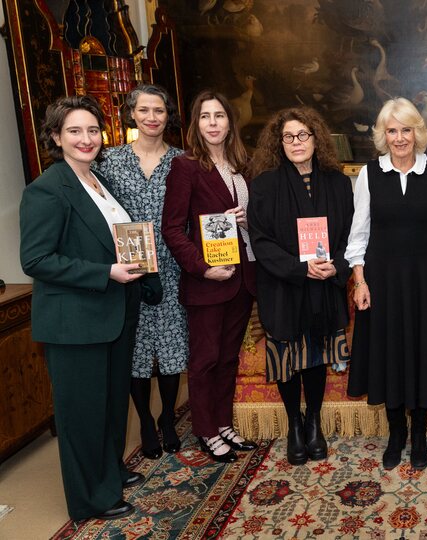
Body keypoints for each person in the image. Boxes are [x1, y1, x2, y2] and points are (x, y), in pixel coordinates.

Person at [19, 95, 162, 521]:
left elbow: (121, 238)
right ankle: (90, 499)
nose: (86, 139)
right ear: (56, 137)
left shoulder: (102, 182)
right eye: (75, 131)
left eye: (93, 130)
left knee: (111, 404)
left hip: (114, 314)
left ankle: (109, 472)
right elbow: (37, 260)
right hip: (75, 322)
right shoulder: (46, 189)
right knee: (82, 414)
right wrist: (106, 273)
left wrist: (141, 273)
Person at [345, 97, 427, 471]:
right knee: (389, 354)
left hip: (425, 279)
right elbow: (357, 234)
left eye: (406, 129)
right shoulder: (369, 174)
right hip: (382, 281)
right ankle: (396, 434)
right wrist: (359, 281)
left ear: (417, 133)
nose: (399, 138)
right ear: (383, 135)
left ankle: (420, 434)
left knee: (423, 352)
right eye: (392, 130)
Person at [247, 107, 354, 465]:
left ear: (316, 139)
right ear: (279, 142)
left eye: (303, 135)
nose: (296, 142)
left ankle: (314, 422)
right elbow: (261, 241)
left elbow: (351, 234)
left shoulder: (338, 182)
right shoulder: (263, 184)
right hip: (285, 285)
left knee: (317, 356)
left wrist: (335, 266)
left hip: (325, 284)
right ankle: (294, 422)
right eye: (288, 136)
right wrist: (299, 268)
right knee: (288, 360)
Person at [162, 90, 258, 464]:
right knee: (204, 359)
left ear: (230, 122)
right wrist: (203, 267)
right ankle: (205, 430)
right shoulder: (186, 167)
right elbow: (172, 229)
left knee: (229, 358)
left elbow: (253, 219)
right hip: (207, 280)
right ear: (195, 124)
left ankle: (223, 423)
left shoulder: (243, 165)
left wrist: (248, 220)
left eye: (219, 116)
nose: (213, 123)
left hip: (242, 276)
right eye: (205, 117)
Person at [98, 84, 186, 459]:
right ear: (131, 113)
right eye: (144, 110)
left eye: (160, 110)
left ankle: (167, 417)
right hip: (129, 269)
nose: (152, 117)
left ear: (168, 116)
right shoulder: (108, 161)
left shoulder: (183, 160)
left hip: (172, 265)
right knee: (134, 352)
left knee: (170, 348)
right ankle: (145, 423)